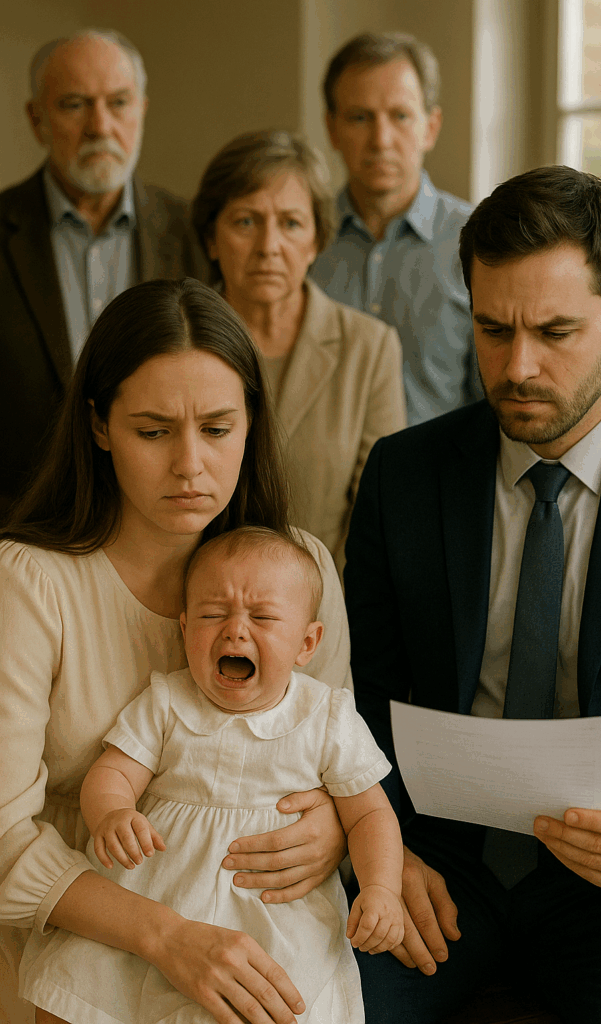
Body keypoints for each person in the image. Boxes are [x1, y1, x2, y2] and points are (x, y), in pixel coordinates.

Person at [344, 166, 601, 1023]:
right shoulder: (403, 475)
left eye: (554, 331)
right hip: (437, 861)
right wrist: (381, 849)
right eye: (492, 330)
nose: (516, 366)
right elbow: (359, 700)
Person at [0, 278, 353, 1024]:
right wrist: (167, 937)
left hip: (256, 926)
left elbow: (328, 752)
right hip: (67, 933)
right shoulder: (29, 583)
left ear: (251, 424)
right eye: (154, 431)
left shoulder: (305, 572)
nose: (190, 464)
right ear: (99, 426)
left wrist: (329, 829)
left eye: (218, 429)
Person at [20, 526, 404, 1024]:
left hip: (269, 913)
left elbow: (371, 813)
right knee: (83, 992)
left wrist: (381, 888)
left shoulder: (326, 716)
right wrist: (111, 811)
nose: (236, 630)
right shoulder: (167, 701)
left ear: (307, 643)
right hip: (153, 890)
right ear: (183, 630)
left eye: (262, 617)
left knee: (270, 1001)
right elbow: (115, 771)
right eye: (212, 614)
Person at [0, 29, 207, 512]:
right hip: (20, 531)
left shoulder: (194, 232)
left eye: (118, 103)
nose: (100, 125)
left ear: (142, 110)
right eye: (75, 104)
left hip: (161, 525)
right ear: (37, 119)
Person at [192, 130, 406, 574]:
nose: (268, 246)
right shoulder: (176, 344)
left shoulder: (369, 347)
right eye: (245, 222)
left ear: (315, 241)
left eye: (290, 223)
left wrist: (311, 610)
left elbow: (376, 515)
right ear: (212, 239)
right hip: (188, 605)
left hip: (324, 610)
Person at [309, 31, 477, 427]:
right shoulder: (302, 240)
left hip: (442, 482)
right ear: (332, 129)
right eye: (359, 118)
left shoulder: (477, 242)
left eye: (400, 116)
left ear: (430, 127)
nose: (380, 140)